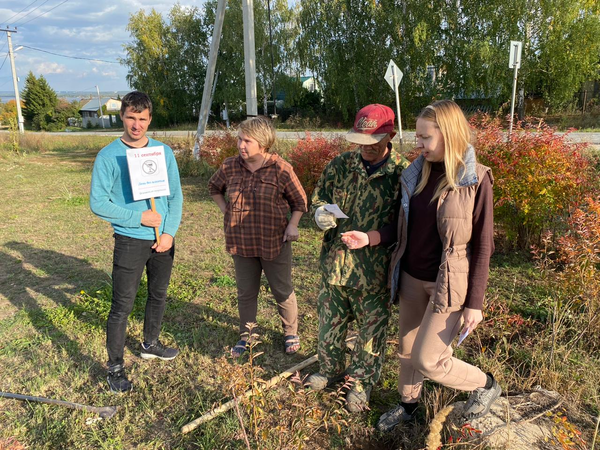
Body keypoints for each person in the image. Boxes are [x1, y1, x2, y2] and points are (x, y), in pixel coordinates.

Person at [344, 100, 500, 431]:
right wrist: (369, 237)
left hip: (448, 284)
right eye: (418, 136)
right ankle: (408, 407)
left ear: (449, 134)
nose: (419, 144)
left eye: (425, 137)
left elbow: (483, 246)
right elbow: (403, 228)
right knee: (407, 351)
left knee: (428, 359)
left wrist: (475, 303)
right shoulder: (416, 174)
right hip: (411, 278)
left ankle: (486, 385)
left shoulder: (476, 179)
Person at [307, 104, 409, 412]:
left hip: (374, 272)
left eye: (372, 142)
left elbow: (406, 224)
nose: (365, 148)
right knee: (329, 325)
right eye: (359, 141)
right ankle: (330, 369)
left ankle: (362, 382)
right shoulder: (341, 165)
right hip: (335, 266)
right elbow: (319, 197)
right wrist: (320, 213)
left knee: (370, 334)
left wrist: (373, 237)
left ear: (390, 136)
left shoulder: (402, 173)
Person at [90, 91, 183, 393]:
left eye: (142, 119)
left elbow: (175, 197)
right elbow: (98, 203)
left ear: (150, 119)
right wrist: (138, 217)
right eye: (131, 117)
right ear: (122, 116)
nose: (136, 124)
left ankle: (150, 344)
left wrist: (168, 233)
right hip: (130, 240)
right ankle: (115, 367)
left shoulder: (163, 153)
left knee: (158, 295)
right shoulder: (109, 156)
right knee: (122, 305)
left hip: (162, 241)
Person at [208, 116, 308, 357]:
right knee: (246, 292)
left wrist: (293, 225)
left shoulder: (281, 169)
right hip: (241, 242)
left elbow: (300, 201)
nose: (241, 145)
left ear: (263, 143)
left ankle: (290, 332)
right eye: (239, 139)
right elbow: (214, 187)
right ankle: (247, 335)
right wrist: (225, 210)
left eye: (247, 141)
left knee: (282, 290)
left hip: (274, 242)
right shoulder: (230, 166)